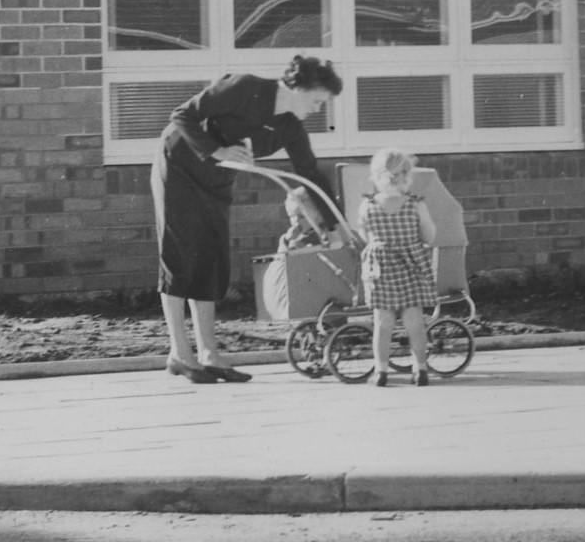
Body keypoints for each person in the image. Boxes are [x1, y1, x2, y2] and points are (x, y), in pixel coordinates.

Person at [150, 54, 343, 381]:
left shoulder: (290, 126)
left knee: (210, 257)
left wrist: (336, 225)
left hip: (215, 179)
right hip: (180, 163)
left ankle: (209, 352)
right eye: (317, 100)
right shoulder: (244, 87)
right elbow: (182, 115)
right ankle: (180, 353)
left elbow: (309, 173)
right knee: (181, 254)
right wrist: (218, 150)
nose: (318, 109)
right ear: (298, 87)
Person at [354, 148, 439, 389]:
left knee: (382, 322)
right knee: (414, 321)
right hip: (410, 265)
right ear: (406, 176)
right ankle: (420, 370)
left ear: (376, 176)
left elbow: (363, 234)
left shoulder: (367, 205)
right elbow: (429, 236)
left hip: (380, 267)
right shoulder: (415, 205)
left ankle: (381, 371)